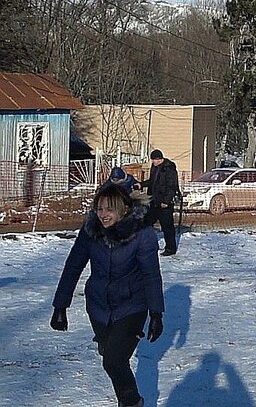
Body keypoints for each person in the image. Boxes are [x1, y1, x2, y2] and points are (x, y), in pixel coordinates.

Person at [52, 184, 164, 407]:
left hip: (132, 305)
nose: (103, 215)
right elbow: (73, 266)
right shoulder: (90, 231)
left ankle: (132, 403)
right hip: (98, 307)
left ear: (123, 209)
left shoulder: (142, 234)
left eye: (109, 209)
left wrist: (156, 313)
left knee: (113, 360)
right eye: (99, 209)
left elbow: (151, 274)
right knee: (110, 356)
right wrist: (60, 306)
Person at [146, 149, 179, 256]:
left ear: (159, 159)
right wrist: (141, 185)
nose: (153, 162)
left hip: (165, 204)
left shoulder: (169, 168)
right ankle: (145, 244)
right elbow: (152, 182)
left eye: (154, 160)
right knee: (146, 223)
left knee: (167, 227)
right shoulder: (155, 168)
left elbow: (172, 186)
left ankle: (170, 248)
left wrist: (166, 201)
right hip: (154, 201)